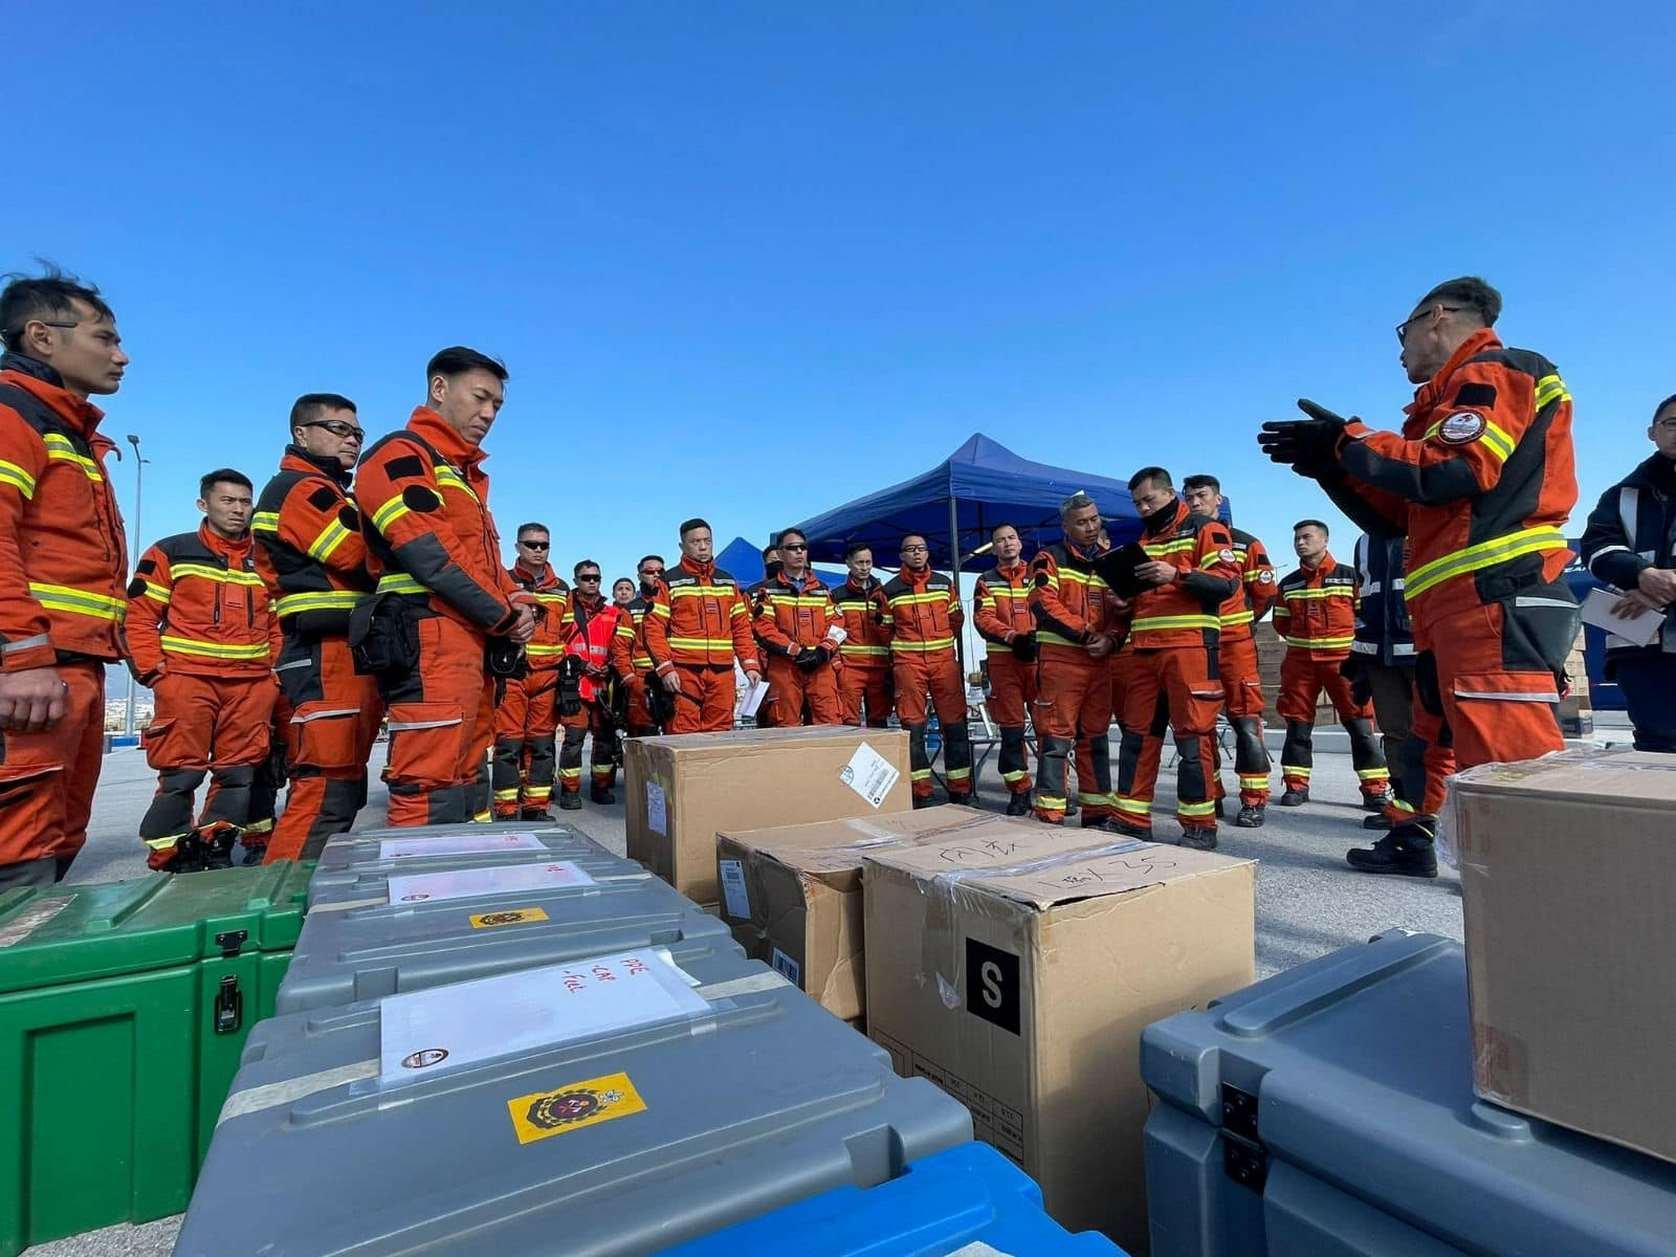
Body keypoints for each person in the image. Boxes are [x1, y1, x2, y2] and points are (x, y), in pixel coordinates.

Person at [1260, 275, 1578, 877]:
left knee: (1505, 755)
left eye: (1402, 333)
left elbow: (1457, 469)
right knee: (1432, 740)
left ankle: (1542, 898)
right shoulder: (1444, 401)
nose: (1400, 348)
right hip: (1448, 605)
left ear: (1437, 316)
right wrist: (1332, 466)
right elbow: (1398, 515)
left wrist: (1349, 440)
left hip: (1494, 592)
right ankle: (1413, 840)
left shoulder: (1496, 368)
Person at [355, 347, 535, 826]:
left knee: (467, 776)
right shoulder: (401, 456)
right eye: (480, 398)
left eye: (497, 405)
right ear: (439, 388)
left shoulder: (463, 476)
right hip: (430, 639)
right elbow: (431, 552)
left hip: (468, 646)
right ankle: (419, 894)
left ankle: (456, 887)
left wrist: (516, 601)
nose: (489, 414)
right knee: (427, 783)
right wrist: (503, 615)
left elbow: (487, 563)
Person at [0, 270, 130, 890]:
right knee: (17, 857)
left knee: (54, 840)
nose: (120, 354)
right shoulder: (12, 415)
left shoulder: (71, 433)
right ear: (41, 337)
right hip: (31, 671)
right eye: (104, 338)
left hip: (73, 664)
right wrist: (21, 655)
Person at [251, 393, 383, 861]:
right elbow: (360, 556)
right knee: (324, 787)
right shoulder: (300, 489)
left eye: (358, 433)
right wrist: (410, 532)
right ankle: (279, 900)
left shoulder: (324, 489)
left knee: (341, 787)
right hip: (327, 653)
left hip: (343, 652)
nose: (352, 440)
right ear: (301, 434)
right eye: (339, 429)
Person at [127, 470, 277, 868]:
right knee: (181, 773)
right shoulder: (171, 552)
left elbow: (278, 621)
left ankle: (217, 843)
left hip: (250, 685)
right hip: (186, 679)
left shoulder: (265, 559)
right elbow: (139, 615)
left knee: (239, 772)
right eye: (228, 501)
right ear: (204, 504)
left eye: (245, 501)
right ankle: (171, 852)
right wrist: (153, 670)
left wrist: (271, 673)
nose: (238, 509)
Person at [1112, 468, 1240, 848]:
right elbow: (1147, 595)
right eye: (1137, 503)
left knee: (1192, 738)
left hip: (1190, 650)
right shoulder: (1144, 539)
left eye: (1148, 500)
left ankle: (1200, 826)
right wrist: (1127, 600)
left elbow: (1227, 583)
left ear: (1171, 495)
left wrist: (1176, 573)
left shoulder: (1206, 529)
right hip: (1144, 651)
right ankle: (1132, 819)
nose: (1143, 508)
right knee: (1137, 737)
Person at [1272, 520, 1391, 812]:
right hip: (1300, 666)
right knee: (1297, 727)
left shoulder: (1351, 578)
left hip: (1344, 663)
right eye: (1297, 538)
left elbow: (1366, 619)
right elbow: (1281, 623)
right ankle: (1296, 787)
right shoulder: (1288, 583)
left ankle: (1374, 790)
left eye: (1307, 537)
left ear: (1325, 541)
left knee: (1360, 726)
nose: (1300, 542)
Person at [1579, 391, 1676, 751]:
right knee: (1656, 754)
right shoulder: (1623, 495)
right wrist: (1642, 575)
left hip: (1646, 623)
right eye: (1672, 423)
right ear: (1652, 432)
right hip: (1643, 649)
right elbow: (1597, 547)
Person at [1345, 532, 1456, 830]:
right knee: (1395, 732)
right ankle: (1406, 808)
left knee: (1440, 733)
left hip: (1423, 651)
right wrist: (1360, 658)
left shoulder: (1425, 523)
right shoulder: (1365, 541)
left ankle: (1442, 808)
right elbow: (1363, 599)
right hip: (1381, 656)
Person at [1182, 474, 1277, 826]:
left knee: (1246, 722)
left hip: (1235, 644)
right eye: (1188, 497)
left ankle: (1254, 799)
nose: (1194, 502)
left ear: (1218, 500)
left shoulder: (1245, 544)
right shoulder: (1178, 540)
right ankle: (1211, 794)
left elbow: (1265, 592)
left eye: (1201, 496)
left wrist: (1243, 621)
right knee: (1198, 724)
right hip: (1195, 644)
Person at [1028, 497, 1118, 827]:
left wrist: (1112, 638)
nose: (1091, 526)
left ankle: (1097, 813)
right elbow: (1043, 604)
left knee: (1095, 737)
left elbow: (1125, 610)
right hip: (1062, 662)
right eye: (1082, 522)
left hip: (1100, 662)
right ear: (1065, 526)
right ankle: (1050, 814)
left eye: (1095, 519)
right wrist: (1087, 635)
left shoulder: (1111, 562)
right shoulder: (1049, 558)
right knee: (1056, 738)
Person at [644, 519, 759, 733]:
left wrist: (750, 664)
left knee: (720, 736)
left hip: (723, 674)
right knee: (683, 736)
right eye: (695, 542)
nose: (703, 546)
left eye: (707, 540)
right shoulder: (668, 581)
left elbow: (741, 627)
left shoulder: (727, 582)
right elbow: (653, 629)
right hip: (684, 674)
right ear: (682, 546)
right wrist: (666, 669)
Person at [883, 533, 972, 807]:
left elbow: (956, 619)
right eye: (910, 549)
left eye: (921, 548)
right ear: (902, 556)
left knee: (954, 724)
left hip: (943, 660)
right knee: (913, 727)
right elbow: (884, 629)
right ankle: (922, 792)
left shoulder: (945, 585)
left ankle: (960, 789)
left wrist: (939, 646)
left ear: (927, 553)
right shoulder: (890, 590)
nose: (917, 554)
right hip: (909, 664)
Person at [489, 523, 569, 819]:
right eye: (531, 544)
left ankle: (536, 808)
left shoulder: (561, 589)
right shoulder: (503, 581)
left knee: (542, 746)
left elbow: (568, 633)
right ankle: (507, 809)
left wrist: (568, 672)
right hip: (512, 675)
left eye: (543, 545)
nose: (538, 550)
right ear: (517, 547)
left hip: (547, 679)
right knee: (508, 744)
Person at [750, 527, 845, 726]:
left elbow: (837, 624)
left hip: (821, 666)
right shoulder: (768, 591)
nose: (799, 552)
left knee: (829, 725)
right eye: (793, 548)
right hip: (785, 667)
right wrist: (795, 651)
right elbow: (763, 628)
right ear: (781, 554)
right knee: (785, 727)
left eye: (803, 547)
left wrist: (823, 650)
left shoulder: (823, 590)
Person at [973, 523, 1038, 815]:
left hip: (1040, 660)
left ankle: (1055, 789)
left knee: (1051, 730)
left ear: (1020, 542)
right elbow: (982, 618)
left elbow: (1052, 607)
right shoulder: (985, 580)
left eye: (1012, 537)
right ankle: (1019, 790)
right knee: (1011, 732)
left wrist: (1035, 637)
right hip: (1004, 663)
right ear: (993, 548)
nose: (1007, 544)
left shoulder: (1039, 574)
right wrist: (1012, 636)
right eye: (1000, 540)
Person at [558, 559, 625, 805]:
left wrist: (612, 664)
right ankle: (570, 791)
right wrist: (581, 664)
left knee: (605, 742)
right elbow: (557, 642)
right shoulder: (566, 610)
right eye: (586, 577)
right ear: (576, 580)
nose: (592, 582)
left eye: (596, 577)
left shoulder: (612, 613)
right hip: (576, 685)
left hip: (604, 688)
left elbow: (620, 646)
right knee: (574, 740)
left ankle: (601, 787)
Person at [830, 541, 893, 727]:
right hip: (850, 668)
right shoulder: (837, 595)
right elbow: (832, 632)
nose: (865, 567)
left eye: (868, 562)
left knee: (879, 721)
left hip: (880, 667)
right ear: (848, 563)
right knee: (849, 721)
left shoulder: (884, 594)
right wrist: (837, 663)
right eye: (860, 562)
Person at [611, 554, 666, 738]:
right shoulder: (631, 609)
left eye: (660, 571)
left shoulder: (674, 602)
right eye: (650, 571)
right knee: (644, 739)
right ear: (640, 575)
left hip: (672, 678)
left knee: (676, 736)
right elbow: (620, 648)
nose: (656, 575)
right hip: (642, 681)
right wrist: (629, 679)